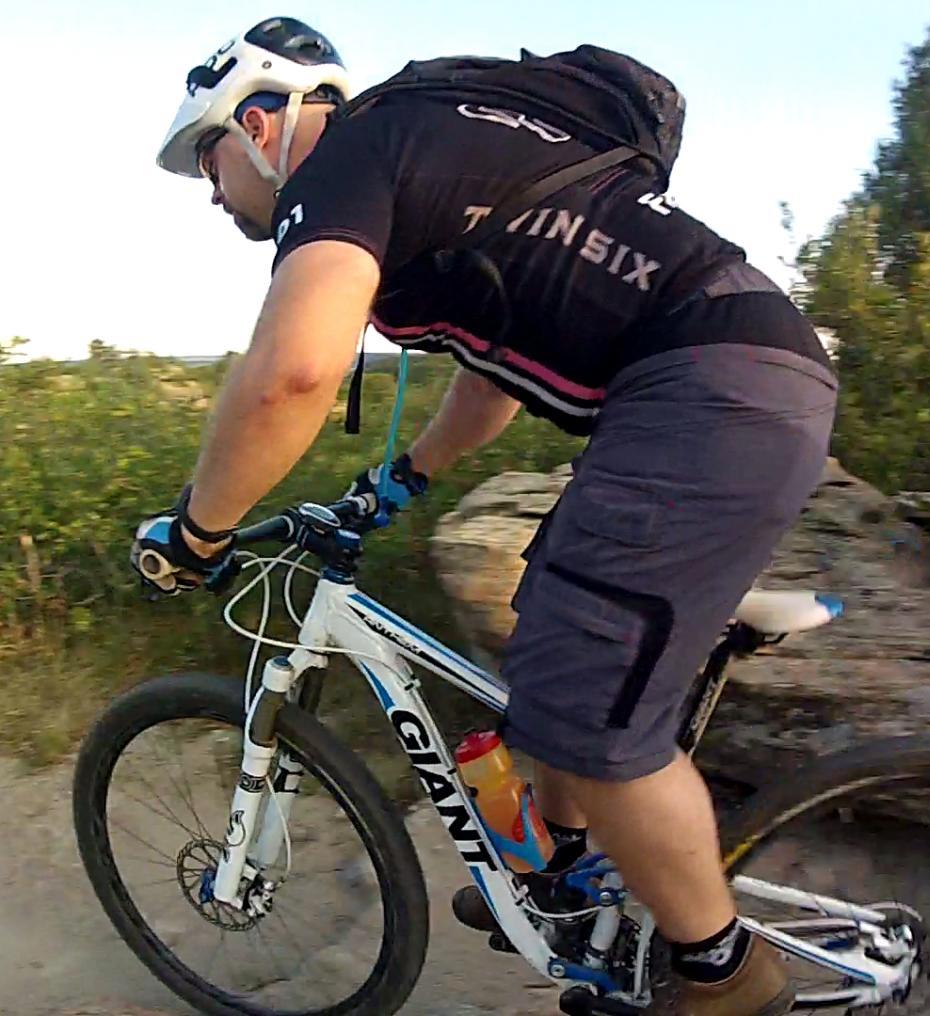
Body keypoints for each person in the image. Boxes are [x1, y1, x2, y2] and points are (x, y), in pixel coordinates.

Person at [134, 16, 838, 1015]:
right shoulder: (423, 152)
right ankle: (558, 872)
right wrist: (403, 480)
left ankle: (724, 971)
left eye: (208, 159)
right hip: (705, 386)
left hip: (712, 391)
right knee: (546, 637)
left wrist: (197, 528)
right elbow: (492, 381)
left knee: (588, 715)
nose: (212, 193)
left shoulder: (345, 165)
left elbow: (292, 371)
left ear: (259, 122)